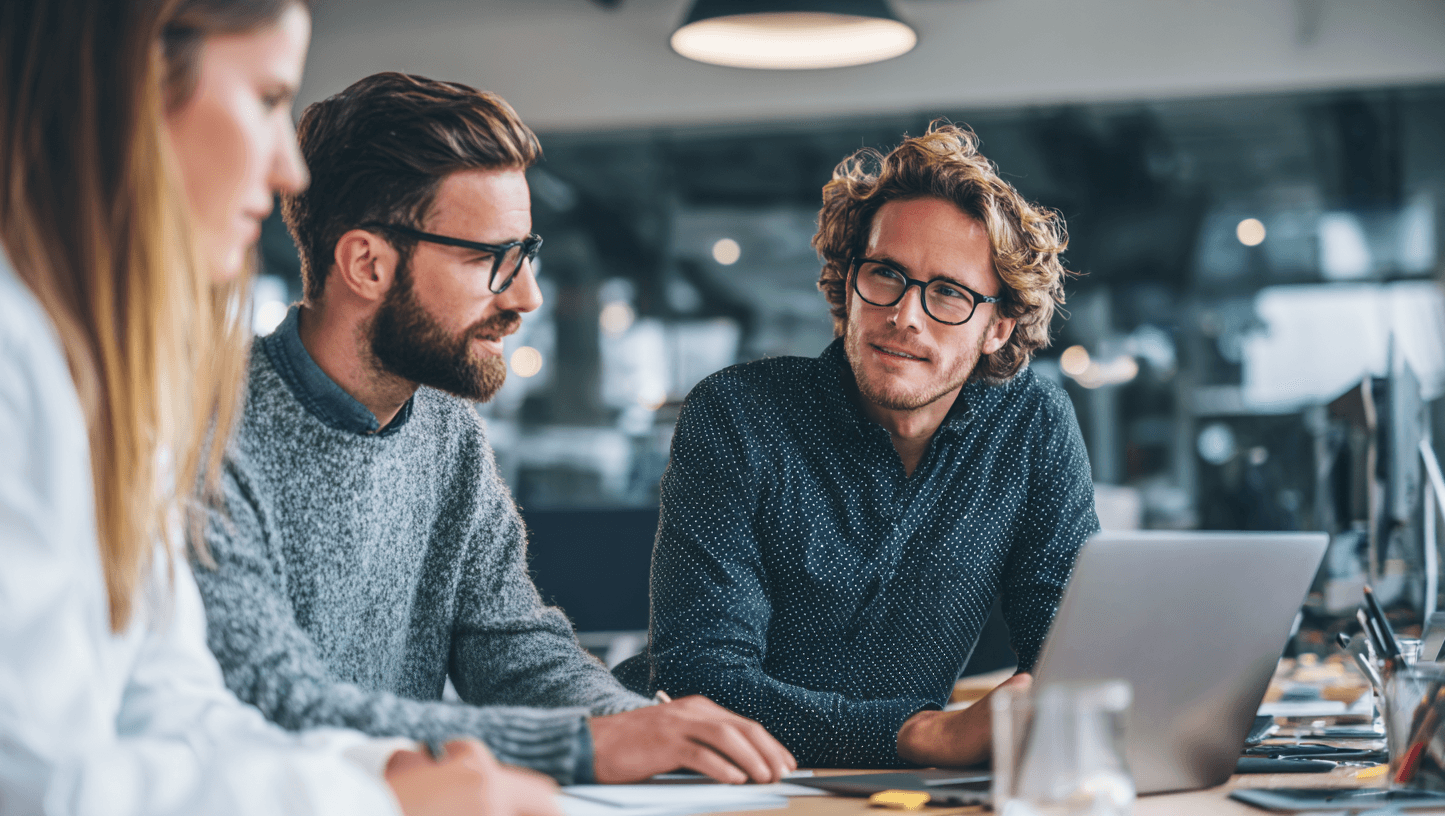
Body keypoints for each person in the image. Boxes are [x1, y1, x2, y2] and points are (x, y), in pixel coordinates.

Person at [0, 1, 558, 814]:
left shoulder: (99, 375)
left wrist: (383, 774)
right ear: (134, 86)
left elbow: (172, 704)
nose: (287, 171)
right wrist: (381, 801)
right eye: (265, 98)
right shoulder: (61, 374)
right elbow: (31, 780)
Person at [189, 71, 796, 786]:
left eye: (526, 254)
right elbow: (271, 701)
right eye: (491, 259)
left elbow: (508, 645)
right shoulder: (200, 430)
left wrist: (634, 726)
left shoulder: (447, 429)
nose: (528, 295)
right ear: (367, 263)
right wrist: (584, 747)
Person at [617, 123, 1099, 768]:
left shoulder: (1028, 422)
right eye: (886, 276)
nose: (905, 315)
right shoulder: (739, 414)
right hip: (700, 779)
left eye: (949, 294)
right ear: (848, 282)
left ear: (998, 327)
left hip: (893, 788)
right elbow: (702, 675)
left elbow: (1072, 650)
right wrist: (923, 735)